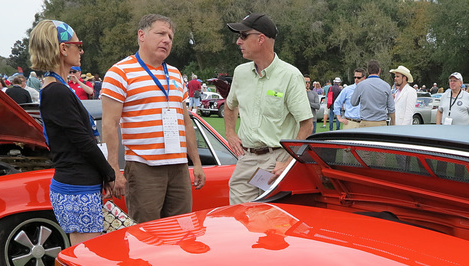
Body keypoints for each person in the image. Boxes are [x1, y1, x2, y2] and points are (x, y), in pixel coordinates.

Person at [101, 14, 205, 222]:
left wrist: (197, 162)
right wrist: (113, 169)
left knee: (180, 231)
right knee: (146, 235)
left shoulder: (175, 73)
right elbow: (109, 124)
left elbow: (185, 121)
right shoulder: (119, 72)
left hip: (178, 167)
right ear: (142, 35)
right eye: (160, 33)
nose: (167, 40)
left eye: (170, 36)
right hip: (144, 168)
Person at [28, 19, 115, 245]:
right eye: (78, 44)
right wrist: (110, 173)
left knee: (88, 254)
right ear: (63, 48)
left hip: (78, 184)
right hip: (76, 187)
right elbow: (83, 142)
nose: (82, 50)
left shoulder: (57, 88)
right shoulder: (56, 91)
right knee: (87, 257)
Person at [222, 13, 312, 204]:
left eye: (243, 36)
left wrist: (288, 162)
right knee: (239, 221)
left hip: (277, 160)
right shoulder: (240, 72)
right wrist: (230, 133)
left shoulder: (290, 75)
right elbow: (230, 107)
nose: (238, 41)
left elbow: (306, 124)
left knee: (272, 223)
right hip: (246, 159)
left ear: (261, 39)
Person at [351, 60, 395, 127]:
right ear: (379, 70)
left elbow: (353, 102)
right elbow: (391, 108)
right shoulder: (386, 86)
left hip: (366, 122)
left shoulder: (361, 85)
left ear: (368, 71)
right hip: (381, 123)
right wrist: (393, 123)